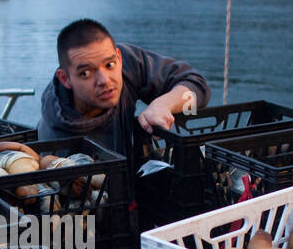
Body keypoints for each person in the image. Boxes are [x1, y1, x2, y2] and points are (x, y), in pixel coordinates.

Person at [37, 19, 211, 157]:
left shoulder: (128, 64)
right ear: (65, 79)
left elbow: (199, 88)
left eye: (110, 64)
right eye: (85, 73)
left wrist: (163, 105)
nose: (104, 80)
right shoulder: (56, 138)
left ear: (119, 58)